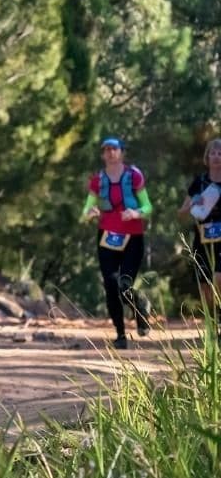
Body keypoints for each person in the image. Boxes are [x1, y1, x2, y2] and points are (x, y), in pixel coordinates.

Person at [81, 137, 152, 349]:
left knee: (125, 284)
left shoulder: (134, 176)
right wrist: (90, 213)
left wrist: (136, 212)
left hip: (133, 237)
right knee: (111, 285)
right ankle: (120, 335)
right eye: (107, 150)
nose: (111, 153)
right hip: (107, 237)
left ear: (122, 152)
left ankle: (140, 306)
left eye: (114, 149)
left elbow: (147, 206)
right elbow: (86, 210)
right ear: (103, 155)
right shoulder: (98, 180)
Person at [178, 138, 221, 335]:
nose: (216, 157)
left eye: (220, 153)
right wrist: (194, 202)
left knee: (219, 278)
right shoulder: (199, 182)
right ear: (207, 157)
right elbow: (182, 213)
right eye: (213, 153)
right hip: (203, 238)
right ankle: (211, 324)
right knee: (205, 286)